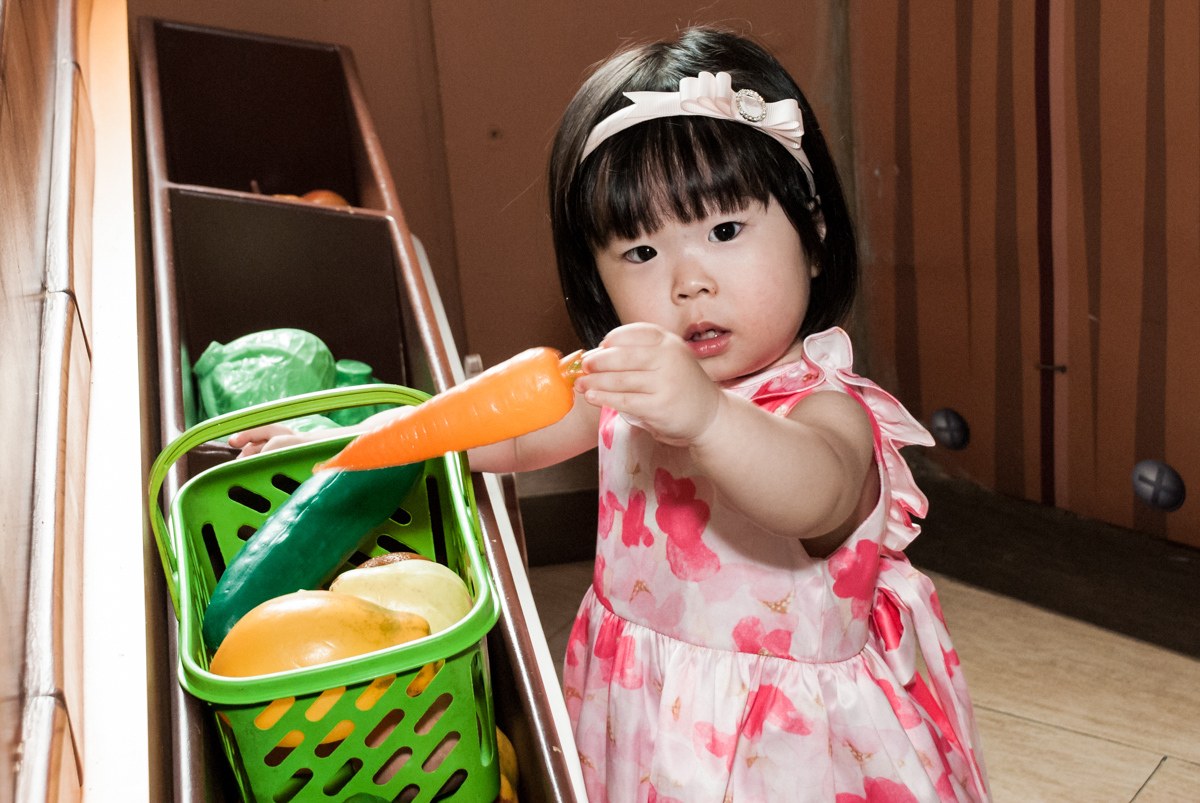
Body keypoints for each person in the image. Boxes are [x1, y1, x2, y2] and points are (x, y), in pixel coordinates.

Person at [233, 27, 990, 803]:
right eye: (640, 252)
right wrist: (361, 438)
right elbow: (509, 431)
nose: (689, 281)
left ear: (815, 239)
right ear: (597, 280)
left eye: (725, 231)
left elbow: (815, 492)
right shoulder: (628, 379)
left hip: (793, 750)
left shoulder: (829, 410)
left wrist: (705, 419)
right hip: (646, 712)